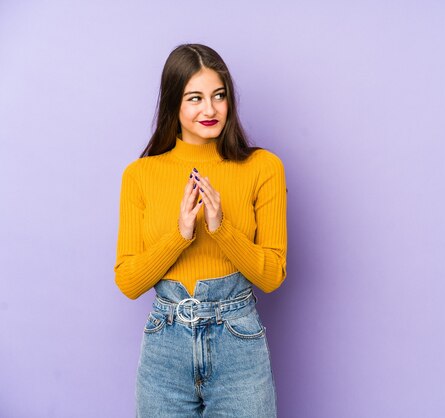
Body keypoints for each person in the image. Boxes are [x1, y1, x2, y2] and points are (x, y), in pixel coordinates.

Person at [113, 43, 287, 417]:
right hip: (165, 350)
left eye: (219, 96)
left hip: (239, 345)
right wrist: (180, 235)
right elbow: (128, 282)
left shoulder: (263, 167)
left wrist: (221, 227)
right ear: (174, 102)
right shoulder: (140, 175)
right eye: (195, 98)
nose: (210, 110)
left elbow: (272, 276)